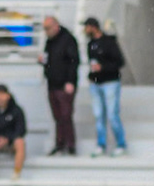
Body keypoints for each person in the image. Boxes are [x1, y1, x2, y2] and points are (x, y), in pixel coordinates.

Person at [81, 17, 127, 156]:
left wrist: (103, 67)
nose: (85, 30)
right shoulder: (91, 44)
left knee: (112, 114)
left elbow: (120, 62)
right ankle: (101, 144)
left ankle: (121, 144)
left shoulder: (109, 42)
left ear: (93, 27)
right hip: (96, 83)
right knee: (98, 115)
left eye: (87, 27)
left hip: (110, 82)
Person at [40, 15, 80, 156]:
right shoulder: (49, 42)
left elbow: (74, 62)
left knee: (66, 115)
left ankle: (70, 145)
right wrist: (42, 61)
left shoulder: (68, 39)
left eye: (48, 28)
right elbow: (48, 59)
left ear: (56, 25)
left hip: (64, 85)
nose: (46, 31)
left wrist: (70, 81)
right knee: (57, 116)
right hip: (52, 84)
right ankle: (59, 143)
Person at [0, 83, 29, 179]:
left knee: (20, 142)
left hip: (10, 143)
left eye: (2, 94)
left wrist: (7, 139)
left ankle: (16, 173)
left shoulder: (17, 110)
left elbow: (21, 130)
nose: (0, 98)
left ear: (8, 95)